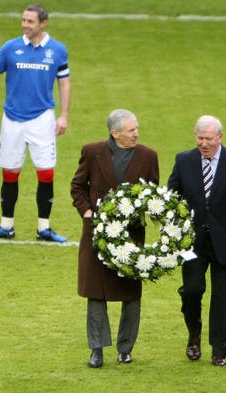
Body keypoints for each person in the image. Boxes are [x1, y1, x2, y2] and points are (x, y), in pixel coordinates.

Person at [0, 4, 71, 243]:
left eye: (30, 21)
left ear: (43, 23)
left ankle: (44, 228)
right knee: (9, 171)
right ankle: (6, 226)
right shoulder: (11, 47)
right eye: (23, 20)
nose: (25, 25)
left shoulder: (57, 50)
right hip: (12, 119)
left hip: (42, 119)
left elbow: (64, 83)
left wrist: (63, 115)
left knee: (46, 171)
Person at [167, 115, 226, 366]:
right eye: (200, 138)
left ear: (220, 137)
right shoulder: (183, 160)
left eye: (209, 139)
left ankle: (219, 350)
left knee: (223, 298)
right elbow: (171, 198)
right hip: (192, 243)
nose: (204, 143)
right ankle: (194, 334)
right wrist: (171, 232)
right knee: (191, 291)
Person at [70, 109, 159, 368]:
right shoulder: (91, 151)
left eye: (136, 129)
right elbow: (78, 185)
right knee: (96, 291)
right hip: (97, 235)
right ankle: (97, 349)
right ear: (115, 133)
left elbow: (152, 192)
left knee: (131, 292)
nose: (136, 134)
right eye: (131, 130)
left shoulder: (148, 155)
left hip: (131, 235)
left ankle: (125, 348)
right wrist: (87, 212)